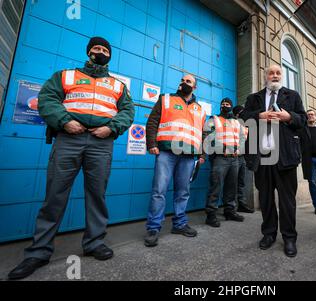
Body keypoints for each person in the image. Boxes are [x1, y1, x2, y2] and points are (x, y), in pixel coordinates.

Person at [8, 37, 135, 280]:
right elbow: (47, 99)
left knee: (97, 194)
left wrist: (112, 128)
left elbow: (128, 111)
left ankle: (94, 243)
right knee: (55, 193)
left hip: (101, 142)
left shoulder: (118, 86)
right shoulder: (66, 76)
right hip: (69, 139)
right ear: (88, 53)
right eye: (96, 48)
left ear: (110, 55)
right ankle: (38, 252)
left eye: (104, 49)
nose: (100, 52)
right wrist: (65, 121)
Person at [241, 64, 306, 257]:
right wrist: (259, 115)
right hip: (262, 157)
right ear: (266, 76)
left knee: (287, 201)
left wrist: (289, 117)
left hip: (285, 156)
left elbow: (302, 120)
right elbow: (244, 118)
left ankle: (289, 238)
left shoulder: (292, 96)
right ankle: (269, 234)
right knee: (266, 199)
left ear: (281, 76)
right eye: (271, 73)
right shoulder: (254, 98)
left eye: (278, 73)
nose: (275, 75)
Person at [144, 74, 206, 247]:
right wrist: (151, 143)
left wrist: (202, 154)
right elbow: (152, 121)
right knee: (159, 190)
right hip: (166, 152)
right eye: (182, 80)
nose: (183, 83)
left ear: (195, 87)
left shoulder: (200, 109)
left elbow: (203, 133)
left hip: (188, 155)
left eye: (188, 81)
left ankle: (179, 224)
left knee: (183, 191)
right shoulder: (166, 99)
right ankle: (153, 227)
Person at [204, 98, 246, 227]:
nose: (225, 106)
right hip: (220, 158)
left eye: (227, 104)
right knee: (215, 186)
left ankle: (230, 211)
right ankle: (211, 215)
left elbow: (242, 137)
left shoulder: (236, 122)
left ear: (231, 106)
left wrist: (238, 151)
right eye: (223, 104)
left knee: (231, 187)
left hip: (234, 158)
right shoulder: (214, 119)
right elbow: (206, 136)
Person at [232, 105, 254, 214]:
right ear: (237, 114)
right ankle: (231, 207)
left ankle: (241, 204)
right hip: (232, 157)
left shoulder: (245, 125)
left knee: (241, 182)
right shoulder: (232, 124)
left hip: (242, 157)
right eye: (242, 112)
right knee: (231, 182)